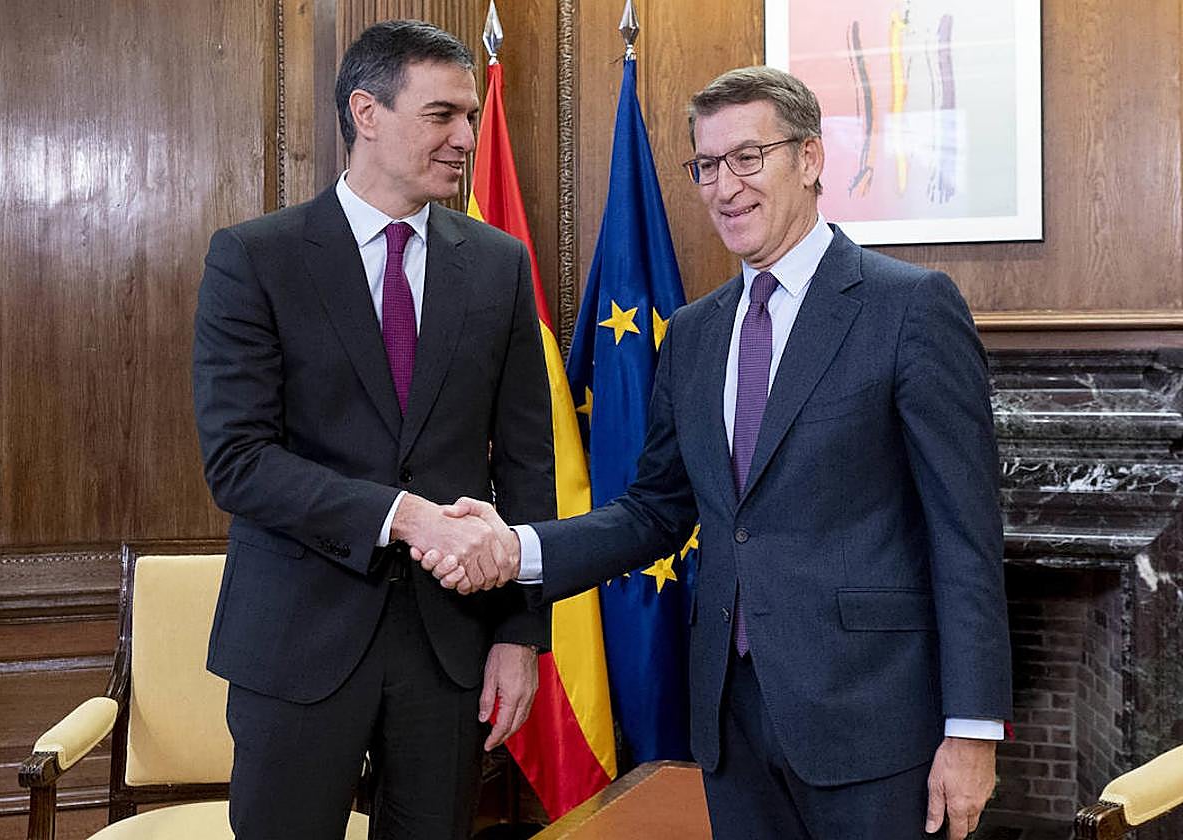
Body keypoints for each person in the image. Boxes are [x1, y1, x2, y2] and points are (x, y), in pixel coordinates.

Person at [420, 66, 1012, 840]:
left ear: (809, 158)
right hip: (730, 724)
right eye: (705, 165)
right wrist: (519, 547)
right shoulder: (696, 333)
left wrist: (973, 730)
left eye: (748, 157)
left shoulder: (909, 308)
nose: (723, 186)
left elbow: (965, 537)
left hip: (874, 727)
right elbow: (655, 510)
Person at [191, 19, 555, 839]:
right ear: (367, 112)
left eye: (470, 115)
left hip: (449, 650)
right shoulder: (255, 258)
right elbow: (239, 463)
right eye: (442, 115)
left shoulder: (499, 264)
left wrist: (521, 636)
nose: (466, 137)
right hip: (296, 641)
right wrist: (404, 516)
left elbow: (529, 465)